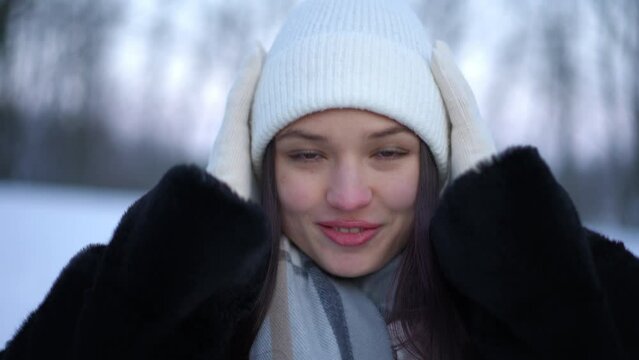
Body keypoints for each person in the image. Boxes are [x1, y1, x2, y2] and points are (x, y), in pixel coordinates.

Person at [2, 0, 638, 359]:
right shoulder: (154, 294)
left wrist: (520, 257)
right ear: (262, 165)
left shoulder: (568, 285)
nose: (348, 195)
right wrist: (185, 265)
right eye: (307, 155)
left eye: (388, 153)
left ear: (437, 162)